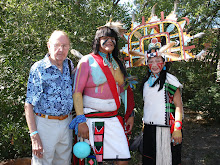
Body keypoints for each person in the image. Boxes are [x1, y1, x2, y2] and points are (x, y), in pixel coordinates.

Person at [70, 23, 135, 165]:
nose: (110, 41)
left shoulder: (119, 64)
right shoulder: (87, 61)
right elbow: (77, 92)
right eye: (105, 38)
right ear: (97, 41)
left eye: (112, 38)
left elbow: (125, 91)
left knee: (123, 158)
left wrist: (130, 114)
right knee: (90, 160)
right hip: (90, 118)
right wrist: (80, 120)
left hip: (113, 118)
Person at [24, 30, 74, 165]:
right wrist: (34, 136)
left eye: (64, 46)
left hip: (66, 123)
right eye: (57, 45)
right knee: (42, 162)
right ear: (48, 46)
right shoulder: (39, 69)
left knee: (64, 162)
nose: (60, 49)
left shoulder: (69, 65)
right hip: (45, 124)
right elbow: (29, 104)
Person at [141, 41, 183, 165]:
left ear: (164, 62)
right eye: (151, 61)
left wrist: (177, 128)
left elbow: (178, 106)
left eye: (157, 60)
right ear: (147, 63)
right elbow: (148, 105)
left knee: (168, 160)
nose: (154, 64)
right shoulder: (145, 83)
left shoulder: (170, 80)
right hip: (149, 129)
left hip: (167, 130)